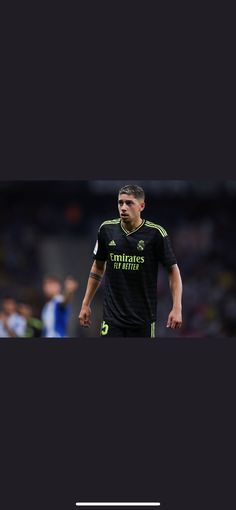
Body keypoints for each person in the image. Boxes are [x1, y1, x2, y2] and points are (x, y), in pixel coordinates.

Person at [79, 184, 182, 337]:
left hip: (143, 320)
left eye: (129, 203)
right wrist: (85, 303)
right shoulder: (106, 230)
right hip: (112, 319)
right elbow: (98, 266)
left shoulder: (156, 234)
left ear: (142, 206)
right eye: (120, 202)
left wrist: (177, 308)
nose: (123, 207)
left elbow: (173, 271)